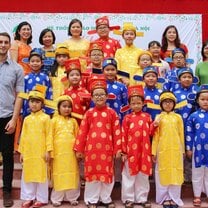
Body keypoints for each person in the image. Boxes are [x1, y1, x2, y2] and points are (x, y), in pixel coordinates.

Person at [74, 78, 122, 208]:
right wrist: (79, 149)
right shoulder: (89, 113)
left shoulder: (112, 113)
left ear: (107, 96)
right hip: (92, 150)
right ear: (92, 98)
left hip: (107, 150)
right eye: (96, 95)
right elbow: (82, 132)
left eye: (102, 94)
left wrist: (118, 149)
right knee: (92, 175)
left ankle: (106, 198)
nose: (99, 97)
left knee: (107, 174)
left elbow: (117, 132)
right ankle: (91, 199)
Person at [0, 32, 24, 207]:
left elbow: (20, 96)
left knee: (8, 156)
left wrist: (15, 119)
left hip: (7, 117)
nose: (2, 45)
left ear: (10, 45)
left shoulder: (17, 68)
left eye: (5, 42)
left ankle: (6, 191)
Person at [18, 88, 53, 208]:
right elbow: (23, 136)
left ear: (42, 104)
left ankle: (41, 198)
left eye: (37, 102)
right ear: (28, 103)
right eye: (32, 101)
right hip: (29, 152)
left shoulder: (46, 118)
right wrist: (22, 152)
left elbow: (49, 135)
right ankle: (28, 197)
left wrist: (48, 150)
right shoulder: (27, 119)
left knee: (41, 175)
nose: (34, 104)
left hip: (41, 151)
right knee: (28, 174)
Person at [121, 85, 153, 208]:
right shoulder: (127, 118)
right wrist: (124, 152)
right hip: (131, 152)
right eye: (133, 103)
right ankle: (128, 199)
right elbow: (123, 135)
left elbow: (150, 133)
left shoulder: (147, 117)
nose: (136, 106)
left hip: (144, 151)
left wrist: (154, 125)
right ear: (129, 105)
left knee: (143, 175)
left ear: (143, 103)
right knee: (129, 175)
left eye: (138, 103)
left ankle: (142, 198)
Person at [152, 91, 185, 208]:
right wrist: (153, 152)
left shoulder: (178, 117)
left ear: (174, 104)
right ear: (161, 104)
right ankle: (164, 198)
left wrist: (183, 150)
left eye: (170, 102)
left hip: (176, 149)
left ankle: (174, 198)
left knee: (175, 172)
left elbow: (181, 134)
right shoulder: (158, 117)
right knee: (162, 173)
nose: (168, 105)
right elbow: (155, 136)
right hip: (163, 150)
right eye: (165, 102)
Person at [50, 95, 80, 207]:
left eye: (69, 107)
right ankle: (57, 198)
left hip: (71, 153)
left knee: (72, 174)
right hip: (58, 154)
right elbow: (49, 137)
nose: (67, 109)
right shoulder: (53, 121)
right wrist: (50, 151)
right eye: (64, 106)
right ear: (58, 108)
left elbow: (78, 137)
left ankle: (72, 197)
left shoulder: (73, 121)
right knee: (59, 175)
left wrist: (78, 151)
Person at [185, 84, 208, 207]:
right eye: (203, 99)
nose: (205, 102)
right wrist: (188, 148)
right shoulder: (193, 117)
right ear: (198, 101)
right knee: (197, 173)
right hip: (197, 150)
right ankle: (197, 195)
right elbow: (189, 133)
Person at [23, 48, 53, 117]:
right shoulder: (26, 78)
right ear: (29, 63)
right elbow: (23, 95)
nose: (35, 63)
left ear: (42, 63)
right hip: (28, 110)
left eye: (37, 61)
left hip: (43, 111)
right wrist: (23, 110)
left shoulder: (45, 77)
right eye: (32, 61)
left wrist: (49, 110)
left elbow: (49, 93)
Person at [64, 58, 90, 125]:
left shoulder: (85, 92)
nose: (75, 77)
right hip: (68, 123)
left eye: (77, 75)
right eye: (72, 75)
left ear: (81, 77)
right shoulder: (65, 93)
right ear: (67, 78)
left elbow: (89, 107)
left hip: (83, 122)